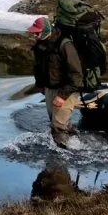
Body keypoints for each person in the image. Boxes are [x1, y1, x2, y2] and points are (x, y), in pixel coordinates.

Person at [27, 16, 84, 148]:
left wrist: (62, 96)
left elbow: (76, 75)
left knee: (57, 127)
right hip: (49, 88)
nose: (35, 35)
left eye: (37, 32)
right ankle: (77, 146)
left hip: (67, 90)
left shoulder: (65, 45)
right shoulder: (40, 44)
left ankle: (61, 159)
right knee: (57, 121)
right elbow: (38, 67)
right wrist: (40, 85)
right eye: (34, 32)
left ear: (47, 30)